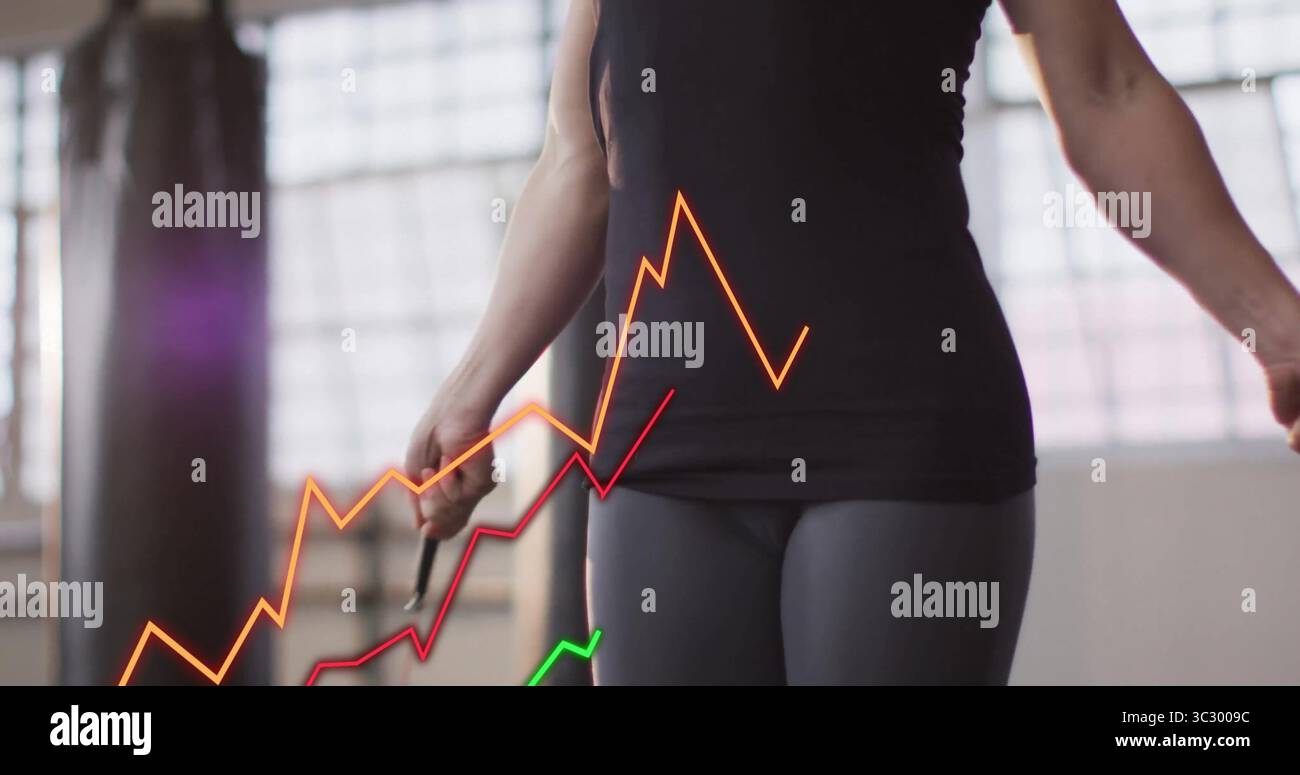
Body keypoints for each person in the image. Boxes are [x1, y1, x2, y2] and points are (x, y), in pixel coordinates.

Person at [405, 0, 1300, 684]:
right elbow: (580, 156)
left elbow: (1109, 92)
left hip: (904, 430)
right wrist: (471, 388)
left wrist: (1278, 325)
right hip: (658, 453)